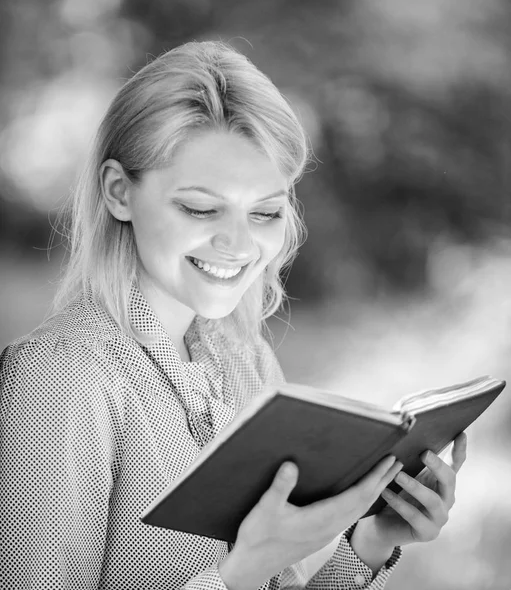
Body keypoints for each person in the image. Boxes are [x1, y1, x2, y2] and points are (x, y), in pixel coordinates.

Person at [0, 40, 467, 590]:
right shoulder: (57, 380)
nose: (239, 244)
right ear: (119, 191)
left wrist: (370, 543)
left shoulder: (245, 360)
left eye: (265, 211)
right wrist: (240, 571)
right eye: (201, 207)